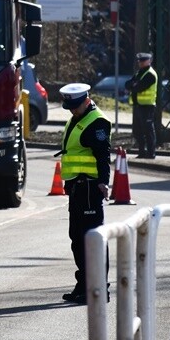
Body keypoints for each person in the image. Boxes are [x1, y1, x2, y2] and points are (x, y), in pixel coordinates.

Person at [57, 83, 111, 305]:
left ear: (86, 101)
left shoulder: (97, 122)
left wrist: (103, 183)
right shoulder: (77, 117)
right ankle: (83, 285)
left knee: (92, 239)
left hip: (90, 188)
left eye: (75, 106)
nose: (71, 110)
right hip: (78, 188)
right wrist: (69, 183)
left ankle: (99, 288)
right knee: (77, 239)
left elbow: (102, 155)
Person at [126, 52, 159, 159]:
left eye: (143, 61)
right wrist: (133, 85)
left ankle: (150, 153)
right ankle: (141, 152)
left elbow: (139, 87)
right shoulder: (139, 73)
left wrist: (134, 85)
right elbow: (128, 84)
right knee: (137, 130)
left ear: (149, 61)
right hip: (138, 105)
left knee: (148, 130)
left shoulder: (150, 74)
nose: (140, 63)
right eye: (140, 61)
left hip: (147, 106)